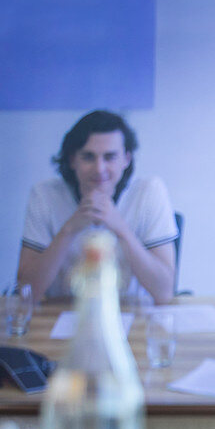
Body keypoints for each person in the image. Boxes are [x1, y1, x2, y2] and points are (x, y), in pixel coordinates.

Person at [17, 110, 178, 303]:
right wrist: (69, 229)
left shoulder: (149, 191)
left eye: (109, 157)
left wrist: (120, 229)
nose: (99, 168)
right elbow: (27, 291)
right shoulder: (44, 195)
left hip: (129, 317)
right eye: (88, 157)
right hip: (61, 314)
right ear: (72, 159)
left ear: (126, 159)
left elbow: (164, 292)